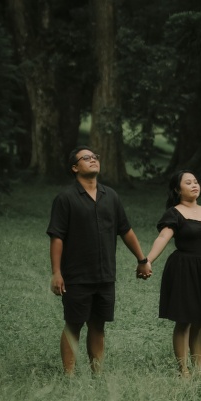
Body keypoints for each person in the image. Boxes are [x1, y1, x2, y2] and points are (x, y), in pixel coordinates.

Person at [47, 146, 152, 374]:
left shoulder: (111, 196)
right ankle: (69, 375)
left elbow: (125, 230)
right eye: (86, 158)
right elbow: (57, 237)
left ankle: (97, 373)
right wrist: (56, 272)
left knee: (98, 325)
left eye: (95, 157)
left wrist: (142, 259)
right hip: (77, 275)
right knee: (73, 325)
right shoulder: (65, 198)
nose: (93, 160)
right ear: (75, 167)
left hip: (105, 275)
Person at [146, 171, 201, 376]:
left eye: (196, 182)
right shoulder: (174, 213)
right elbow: (163, 238)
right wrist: (148, 261)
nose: (194, 185)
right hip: (185, 269)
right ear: (177, 189)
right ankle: (183, 370)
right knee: (184, 320)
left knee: (200, 320)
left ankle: (198, 369)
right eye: (188, 183)